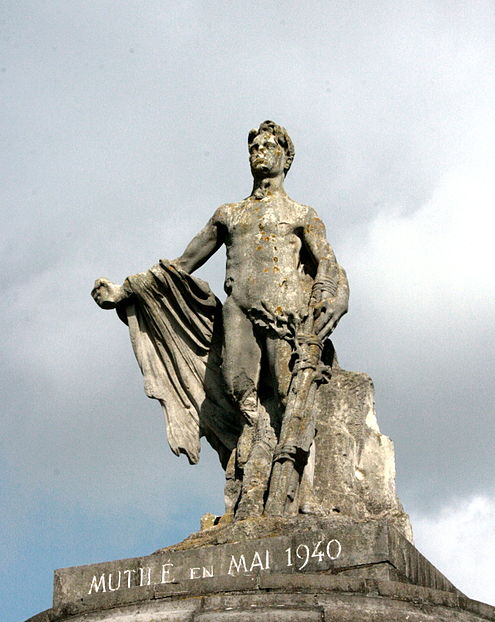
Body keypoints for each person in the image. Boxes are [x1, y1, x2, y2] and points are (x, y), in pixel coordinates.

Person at [92, 121, 348, 519]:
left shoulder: (301, 214)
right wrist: (126, 289)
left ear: (286, 158)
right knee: (242, 402)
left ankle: (303, 490)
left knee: (287, 397)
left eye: (267, 147)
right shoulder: (229, 214)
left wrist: (332, 294)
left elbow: (328, 262)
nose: (259, 153)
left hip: (283, 315)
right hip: (237, 315)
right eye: (254, 148)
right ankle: (251, 488)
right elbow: (181, 265)